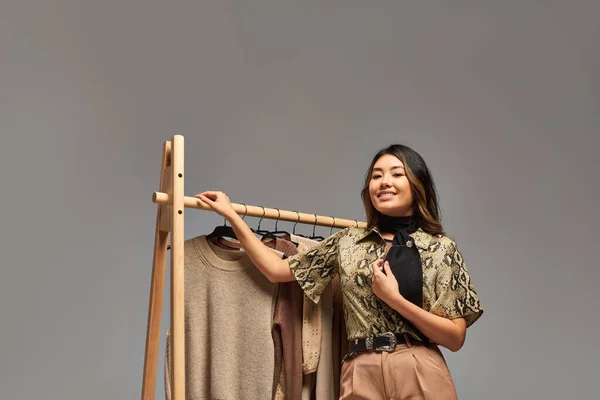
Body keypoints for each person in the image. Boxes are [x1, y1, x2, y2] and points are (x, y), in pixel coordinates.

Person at [195, 144, 483, 400]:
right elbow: (276, 270)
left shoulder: (440, 248)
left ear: (417, 185)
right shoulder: (348, 242)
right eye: (376, 175)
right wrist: (232, 216)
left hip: (417, 366)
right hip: (361, 368)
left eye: (397, 174)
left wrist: (395, 300)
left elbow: (454, 338)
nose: (384, 182)